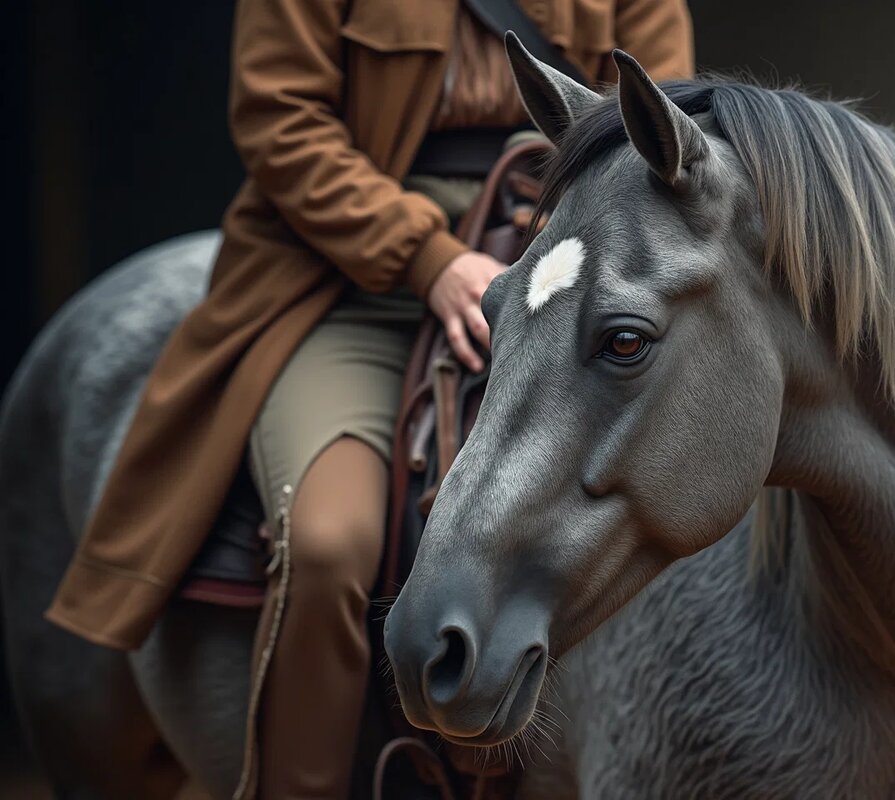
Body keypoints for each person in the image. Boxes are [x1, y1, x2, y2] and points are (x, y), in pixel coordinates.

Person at [45, 0, 693, 796]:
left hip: (564, 274)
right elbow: (282, 124)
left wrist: (571, 239)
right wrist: (427, 258)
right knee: (330, 542)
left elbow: (659, 114)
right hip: (348, 280)